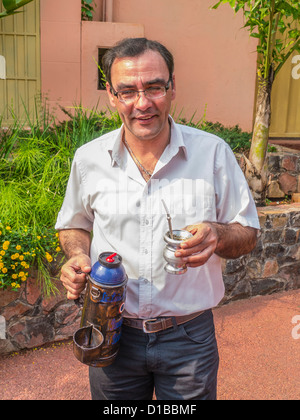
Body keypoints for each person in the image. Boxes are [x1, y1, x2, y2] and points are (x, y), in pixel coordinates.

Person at [55, 37, 260, 400]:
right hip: (110, 329)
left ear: (173, 86)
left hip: (189, 339)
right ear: (111, 94)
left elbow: (248, 233)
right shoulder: (89, 160)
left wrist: (217, 234)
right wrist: (76, 255)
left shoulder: (212, 153)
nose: (143, 103)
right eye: (128, 91)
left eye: (154, 87)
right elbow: (75, 224)